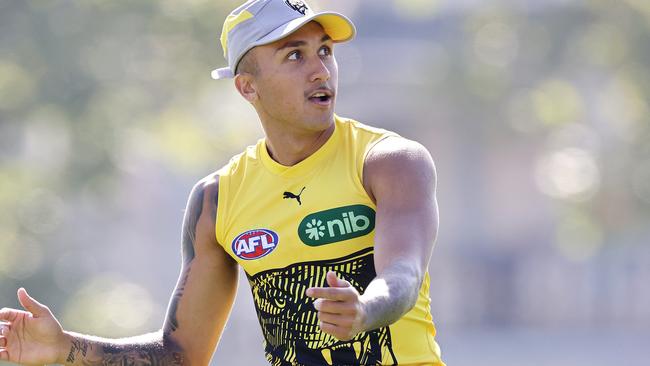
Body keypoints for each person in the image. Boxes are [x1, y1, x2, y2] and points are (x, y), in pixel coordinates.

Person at [0, 0, 443, 364]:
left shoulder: (389, 161)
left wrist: (364, 310)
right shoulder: (216, 200)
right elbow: (181, 353)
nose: (321, 70)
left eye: (325, 50)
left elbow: (403, 274)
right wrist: (65, 349)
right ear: (247, 87)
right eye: (295, 55)